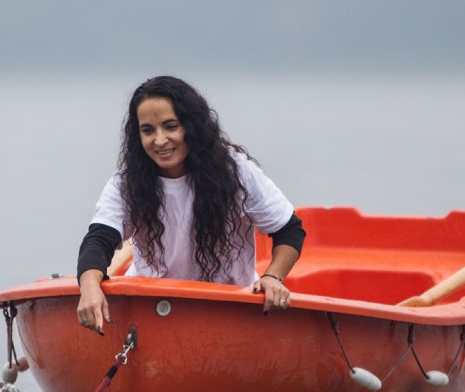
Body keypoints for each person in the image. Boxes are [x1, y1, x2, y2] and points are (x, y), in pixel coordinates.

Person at [76, 76, 305, 335]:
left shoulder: (236, 171)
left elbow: (289, 230)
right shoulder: (128, 181)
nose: (160, 140)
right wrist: (90, 286)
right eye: (148, 130)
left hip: (229, 307)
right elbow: (98, 239)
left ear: (192, 126)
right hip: (147, 308)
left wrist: (273, 277)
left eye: (170, 126)